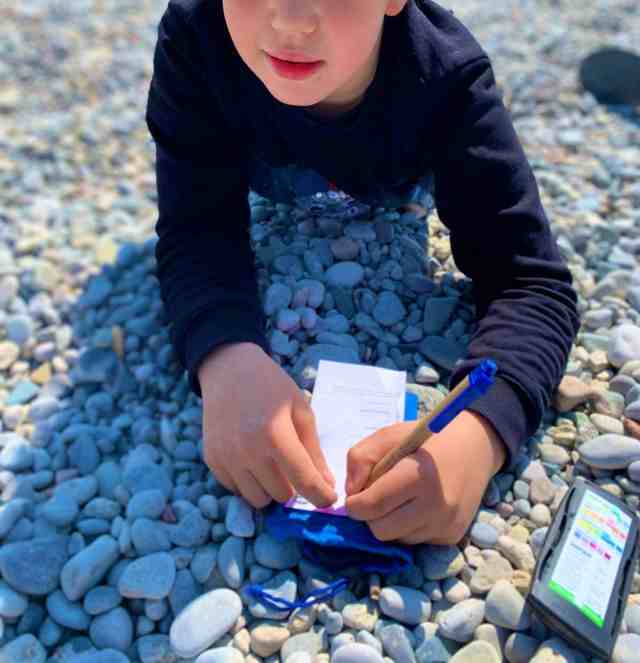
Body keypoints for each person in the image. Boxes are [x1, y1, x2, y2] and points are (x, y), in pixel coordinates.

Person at [145, 0, 580, 545]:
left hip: (399, 183)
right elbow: (196, 226)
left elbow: (531, 282)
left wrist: (480, 434)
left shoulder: (448, 80)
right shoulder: (196, 40)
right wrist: (224, 357)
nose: (291, 20)